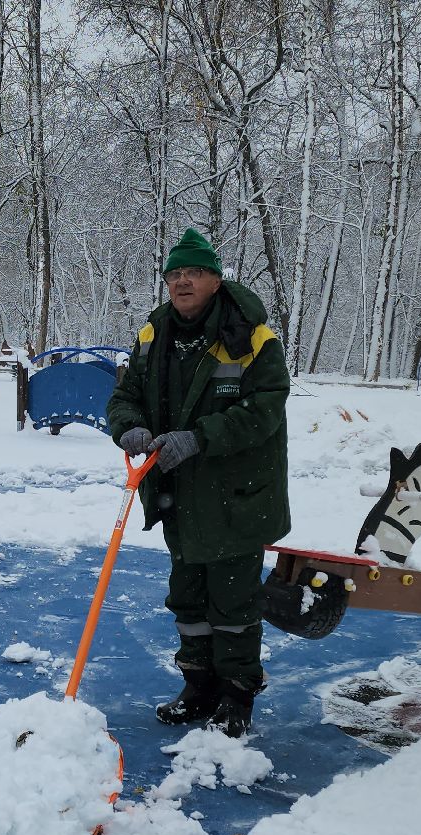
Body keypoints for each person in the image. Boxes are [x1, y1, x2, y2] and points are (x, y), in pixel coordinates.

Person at [105, 227, 290, 738]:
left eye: (195, 272)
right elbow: (126, 396)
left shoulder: (250, 334)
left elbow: (265, 409)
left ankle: (237, 694)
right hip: (179, 492)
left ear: (214, 278)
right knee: (187, 596)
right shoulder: (154, 332)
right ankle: (199, 685)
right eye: (175, 274)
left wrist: (201, 437)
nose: (183, 282)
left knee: (232, 599)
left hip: (236, 494)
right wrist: (128, 427)